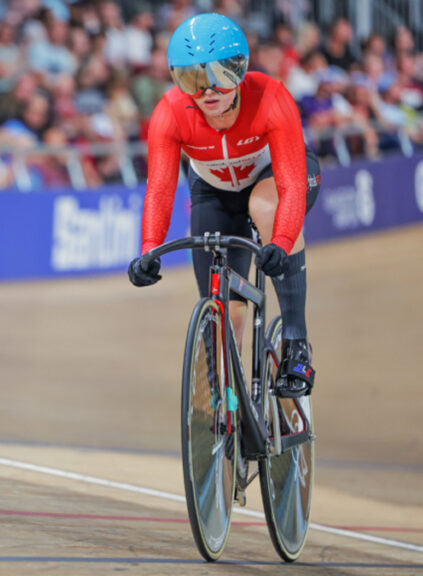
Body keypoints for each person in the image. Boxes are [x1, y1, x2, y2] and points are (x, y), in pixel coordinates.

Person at [128, 13, 320, 398]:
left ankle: (296, 342)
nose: (208, 90)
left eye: (219, 75)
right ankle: (229, 407)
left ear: (240, 70)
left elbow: (292, 184)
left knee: (265, 206)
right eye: (192, 80)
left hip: (274, 177)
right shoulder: (169, 112)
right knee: (224, 312)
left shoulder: (270, 97)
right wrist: (149, 249)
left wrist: (281, 242)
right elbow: (161, 188)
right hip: (215, 190)